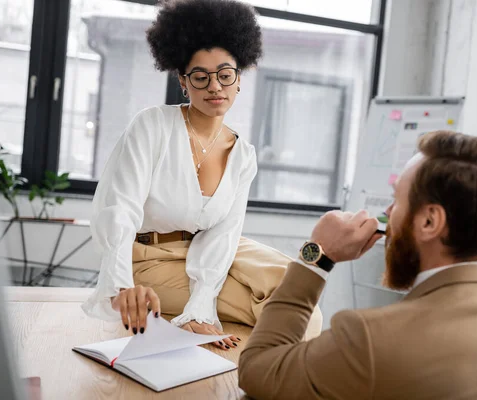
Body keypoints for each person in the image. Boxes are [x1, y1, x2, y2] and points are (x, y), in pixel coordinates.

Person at [238, 130, 477, 399]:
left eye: (396, 201)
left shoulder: (370, 339)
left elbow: (258, 370)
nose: (387, 216)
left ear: (429, 221)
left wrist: (317, 254)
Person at [82, 0, 322, 350]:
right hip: (148, 257)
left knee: (300, 292)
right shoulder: (152, 126)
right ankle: (257, 372)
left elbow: (223, 233)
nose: (215, 86)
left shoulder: (244, 155)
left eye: (225, 74)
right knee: (282, 314)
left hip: (212, 249)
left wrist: (201, 302)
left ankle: (271, 371)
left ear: (239, 78)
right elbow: (120, 210)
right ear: (183, 81)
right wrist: (122, 286)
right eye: (200, 76)